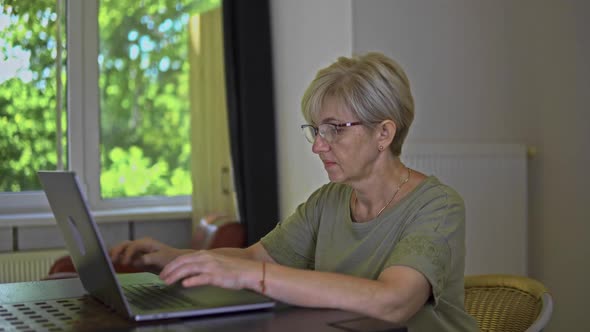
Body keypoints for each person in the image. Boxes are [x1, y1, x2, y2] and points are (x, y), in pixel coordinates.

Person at [110, 52, 479, 331]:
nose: (318, 146)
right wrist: (175, 259)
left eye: (335, 129)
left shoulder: (438, 207)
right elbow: (258, 259)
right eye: (317, 130)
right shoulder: (328, 201)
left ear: (384, 133)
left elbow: (393, 301)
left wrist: (250, 278)